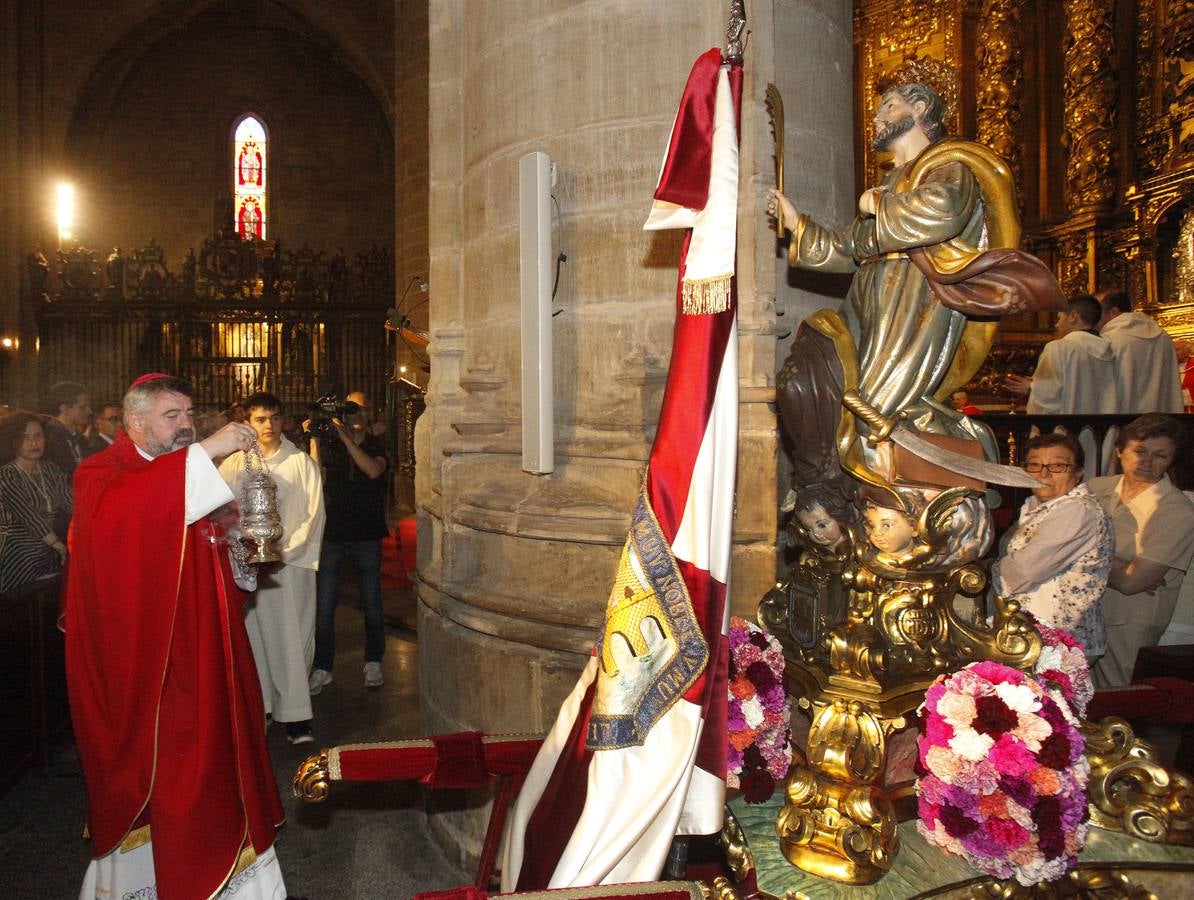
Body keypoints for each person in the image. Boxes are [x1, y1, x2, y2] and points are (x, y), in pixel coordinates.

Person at [63, 374, 287, 900]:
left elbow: (208, 548)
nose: (186, 425)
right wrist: (210, 447)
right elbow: (131, 515)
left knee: (215, 764)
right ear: (135, 422)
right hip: (146, 664)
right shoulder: (100, 472)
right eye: (173, 416)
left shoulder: (185, 474)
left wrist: (238, 548)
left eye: (190, 415)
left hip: (203, 650)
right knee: (168, 772)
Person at [220, 392, 325, 744]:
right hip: (248, 568)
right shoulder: (235, 465)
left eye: (275, 418)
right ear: (248, 422)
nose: (268, 425)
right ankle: (261, 707)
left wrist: (283, 552)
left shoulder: (300, 463)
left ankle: (296, 716)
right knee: (254, 639)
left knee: (292, 639)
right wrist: (240, 551)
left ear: (284, 420)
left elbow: (313, 516)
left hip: (288, 568)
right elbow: (221, 512)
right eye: (260, 419)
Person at [1088, 414, 1194, 686]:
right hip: (1080, 615)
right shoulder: (1095, 488)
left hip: (1129, 624)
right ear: (1120, 450)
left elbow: (1132, 581)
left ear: (1172, 461)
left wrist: (1078, 550)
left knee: (1119, 708)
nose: (1147, 463)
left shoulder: (1177, 511)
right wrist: (1121, 562)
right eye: (1140, 451)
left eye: (1160, 456)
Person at [991, 433, 1113, 658]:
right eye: (1035, 465)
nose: (1044, 473)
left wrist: (986, 569)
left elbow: (1024, 572)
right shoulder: (1038, 506)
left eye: (1058, 466)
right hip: (1033, 636)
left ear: (1078, 472)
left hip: (1060, 642)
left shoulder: (1076, 510)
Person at [308, 390, 390, 692]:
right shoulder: (330, 444)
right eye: (350, 408)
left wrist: (344, 438)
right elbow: (316, 478)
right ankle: (323, 666)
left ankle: (372, 661)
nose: (355, 414)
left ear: (369, 413)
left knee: (371, 603)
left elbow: (372, 470)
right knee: (325, 606)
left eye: (360, 409)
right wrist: (316, 440)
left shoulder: (377, 442)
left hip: (367, 535)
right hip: (334, 535)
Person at [1004, 294, 1117, 415]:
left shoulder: (1058, 348)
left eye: (1059, 318)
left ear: (1073, 316)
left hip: (1067, 428)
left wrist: (1031, 387)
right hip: (1101, 429)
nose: (1056, 325)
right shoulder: (1109, 351)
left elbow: (1048, 399)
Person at [0, 412, 72, 593]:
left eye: (38, 436)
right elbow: (28, 516)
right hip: (16, 553)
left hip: (49, 551)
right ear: (12, 441)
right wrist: (59, 546)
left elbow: (72, 502)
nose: (34, 443)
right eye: (25, 438)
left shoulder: (50, 469)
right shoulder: (7, 474)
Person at [1098, 290, 1183, 413]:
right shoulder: (1162, 336)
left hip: (1125, 420)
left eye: (1097, 311)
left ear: (1113, 312)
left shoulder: (1109, 341)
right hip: (1161, 420)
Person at [38, 380, 91, 478]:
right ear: (64, 409)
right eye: (83, 407)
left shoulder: (82, 441)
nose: (89, 411)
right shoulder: (48, 439)